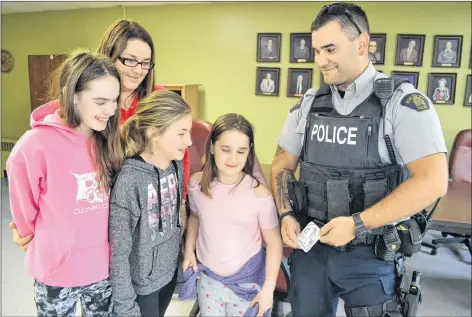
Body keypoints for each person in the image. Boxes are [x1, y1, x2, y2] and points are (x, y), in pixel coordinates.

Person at [270, 3, 448, 317]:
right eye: (315, 51)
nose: (320, 61)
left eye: (329, 49)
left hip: (371, 253)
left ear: (361, 44)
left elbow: (433, 181)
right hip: (312, 250)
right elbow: (282, 164)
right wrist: (286, 213)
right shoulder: (309, 105)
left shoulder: (402, 103)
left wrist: (357, 224)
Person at [9, 18, 191, 256]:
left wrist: (182, 202)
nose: (138, 70)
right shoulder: (86, 108)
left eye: (146, 63)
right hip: (97, 217)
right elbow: (53, 168)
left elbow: (181, 155)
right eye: (130, 60)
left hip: (147, 215)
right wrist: (30, 226)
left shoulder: (158, 100)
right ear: (109, 56)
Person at [6, 49, 122, 316]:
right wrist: (36, 237)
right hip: (56, 270)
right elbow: (24, 209)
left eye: (114, 100)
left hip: (102, 268)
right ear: (72, 96)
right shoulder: (35, 144)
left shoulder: (108, 139)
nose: (111, 110)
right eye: (101, 101)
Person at [179, 113, 282, 317]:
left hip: (247, 283)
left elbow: (274, 243)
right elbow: (195, 217)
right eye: (225, 150)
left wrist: (268, 289)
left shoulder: (259, 195)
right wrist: (189, 249)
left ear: (249, 152)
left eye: (241, 152)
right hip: (208, 281)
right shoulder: (196, 184)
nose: (233, 159)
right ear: (211, 147)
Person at [109, 90, 193, 317]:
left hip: (166, 277)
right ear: (154, 133)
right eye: (182, 133)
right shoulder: (129, 180)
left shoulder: (175, 165)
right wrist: (126, 307)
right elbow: (118, 253)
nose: (190, 141)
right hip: (141, 288)